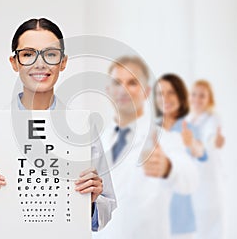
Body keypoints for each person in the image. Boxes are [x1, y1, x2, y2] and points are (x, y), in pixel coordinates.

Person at [0, 18, 116, 231]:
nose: (40, 64)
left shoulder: (82, 126)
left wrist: (93, 201)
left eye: (50, 54)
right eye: (28, 54)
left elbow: (105, 212)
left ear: (63, 62)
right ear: (15, 62)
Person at [92, 56, 198, 239]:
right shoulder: (95, 140)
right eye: (117, 83)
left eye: (132, 83)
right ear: (109, 91)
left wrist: (168, 168)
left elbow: (191, 178)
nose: (123, 89)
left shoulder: (164, 137)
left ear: (147, 91)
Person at [154, 74, 207, 239]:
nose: (165, 98)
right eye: (160, 93)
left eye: (171, 93)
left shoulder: (188, 128)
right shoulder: (150, 130)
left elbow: (202, 154)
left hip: (181, 218)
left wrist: (191, 144)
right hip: (153, 216)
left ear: (181, 96)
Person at [186, 79, 226, 239]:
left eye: (202, 96)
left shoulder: (213, 119)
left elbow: (212, 140)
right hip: (194, 188)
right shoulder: (188, 121)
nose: (197, 99)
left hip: (209, 187)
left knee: (211, 230)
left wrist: (213, 142)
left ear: (209, 99)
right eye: (194, 95)